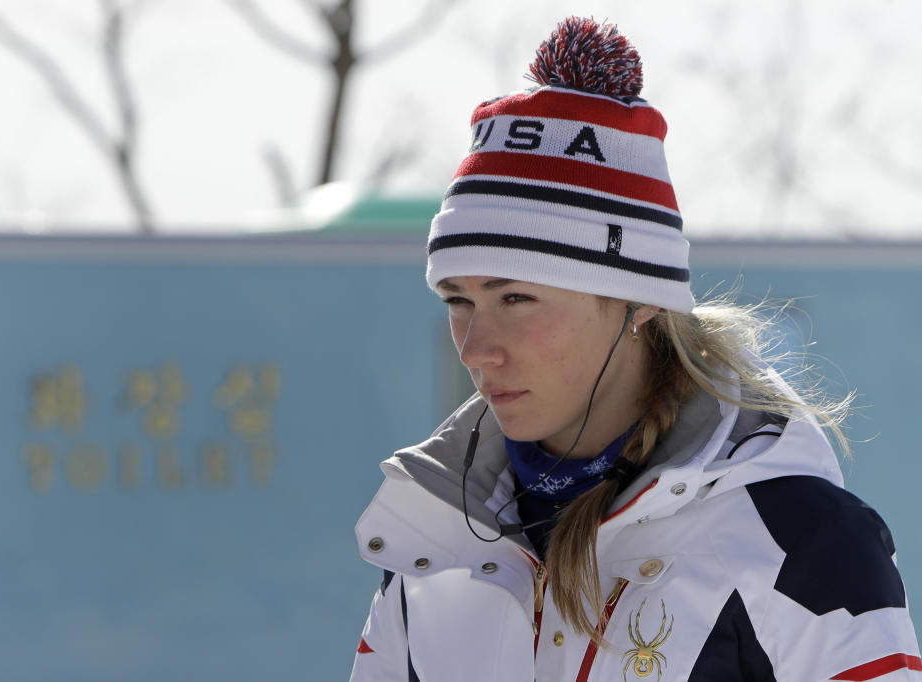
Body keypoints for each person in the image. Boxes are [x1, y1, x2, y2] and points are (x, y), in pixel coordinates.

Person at [348, 16, 921, 682]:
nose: (478, 350)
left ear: (639, 300)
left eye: (516, 300)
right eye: (458, 302)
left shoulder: (799, 541)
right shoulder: (435, 539)